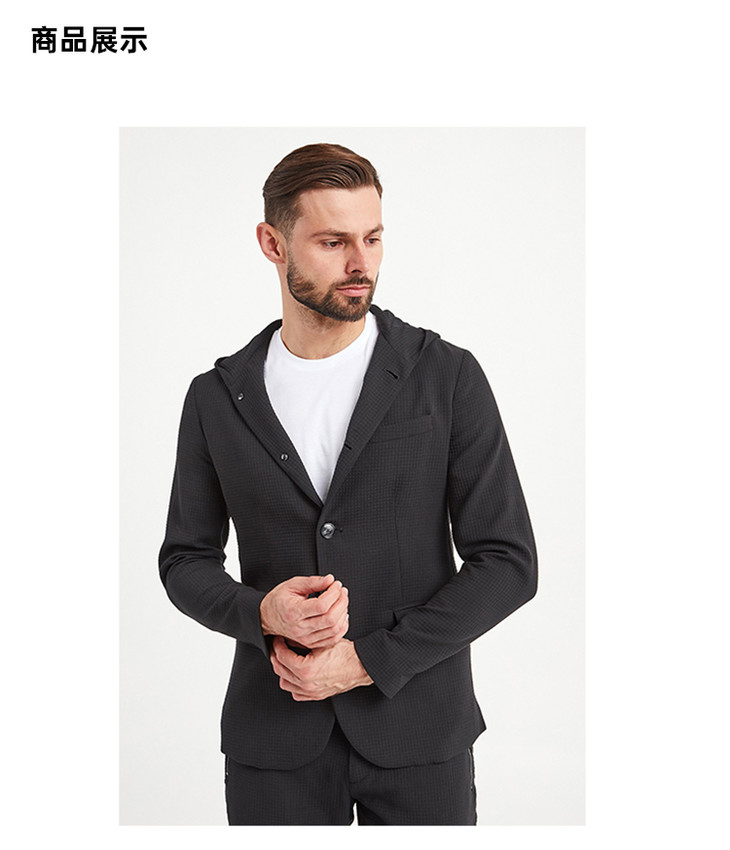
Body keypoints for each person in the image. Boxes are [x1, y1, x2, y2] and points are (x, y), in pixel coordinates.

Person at [159, 142, 537, 825]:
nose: (361, 263)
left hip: (420, 733)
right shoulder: (215, 397)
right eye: (333, 242)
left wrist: (367, 660)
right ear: (272, 244)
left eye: (373, 237)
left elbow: (508, 563)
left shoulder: (446, 376)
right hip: (274, 738)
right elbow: (184, 560)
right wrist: (263, 613)